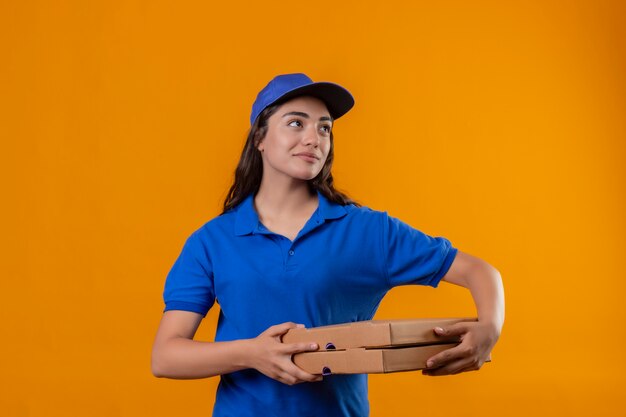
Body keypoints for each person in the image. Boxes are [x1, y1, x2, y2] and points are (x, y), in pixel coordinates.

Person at [151, 73, 505, 417]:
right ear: (259, 137)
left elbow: (479, 271)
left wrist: (490, 327)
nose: (314, 138)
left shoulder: (370, 231)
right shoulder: (212, 241)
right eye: (296, 123)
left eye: (324, 128)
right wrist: (251, 353)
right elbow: (166, 356)